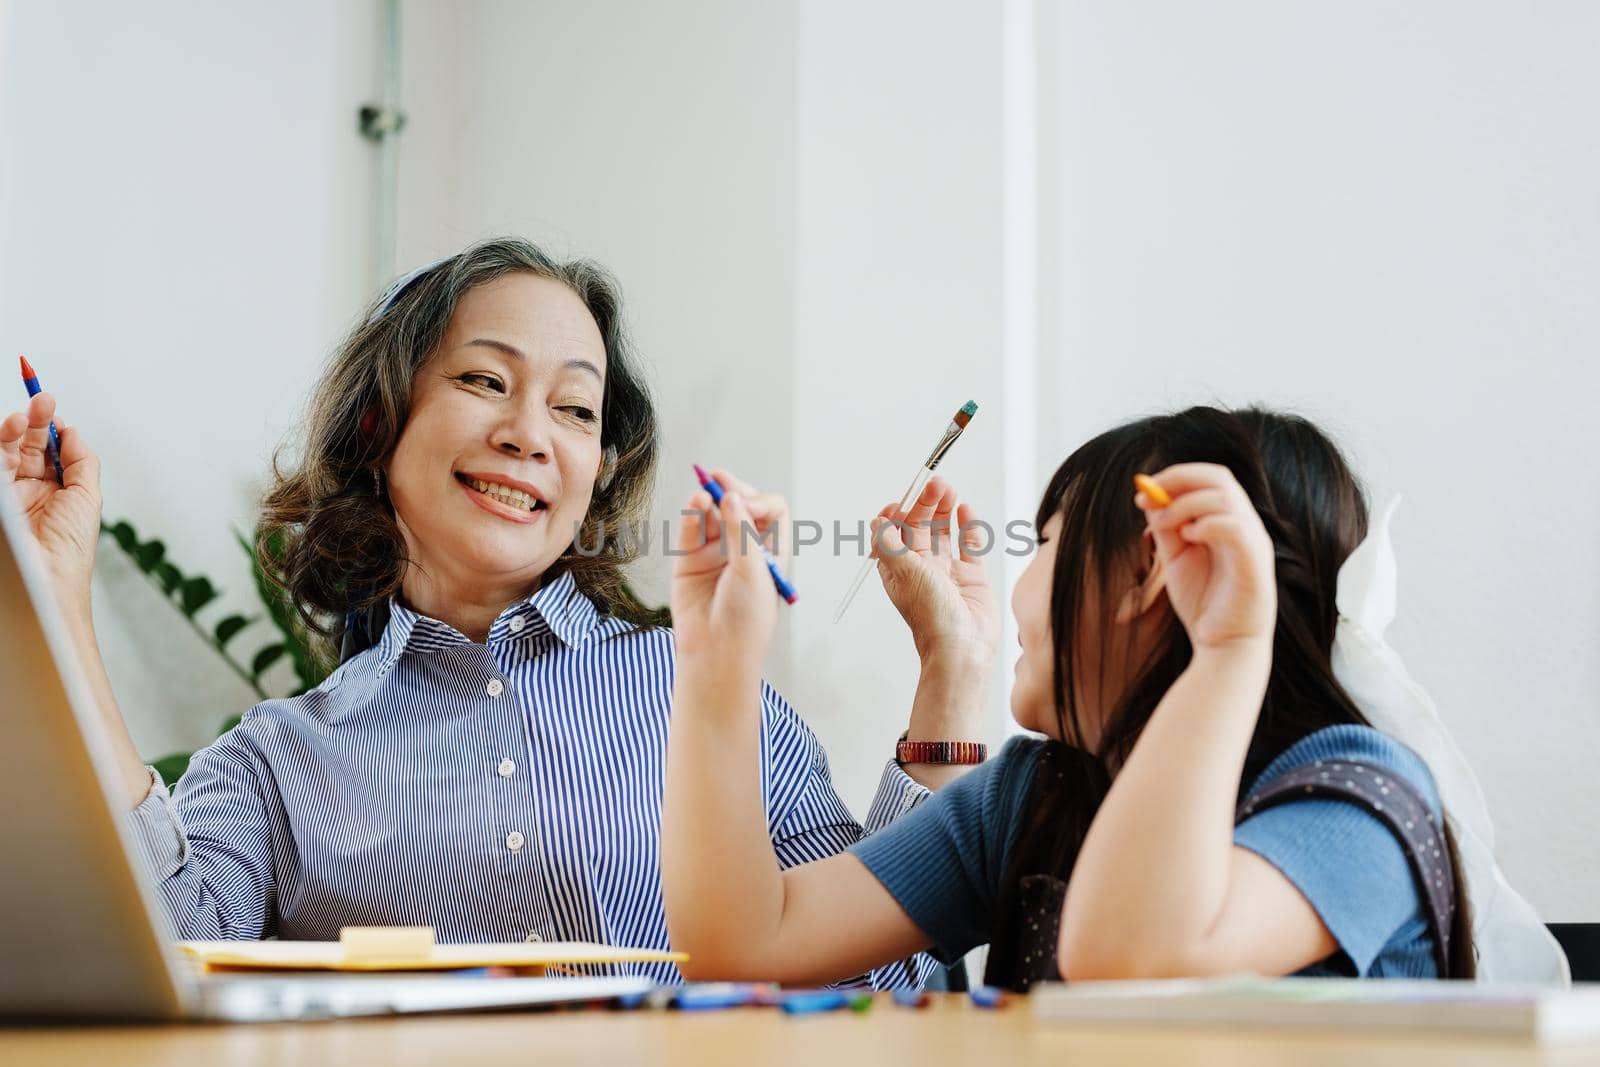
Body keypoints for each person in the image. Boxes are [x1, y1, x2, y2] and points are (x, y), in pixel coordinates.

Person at [0, 237, 992, 987]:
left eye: (574, 408)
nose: (528, 434)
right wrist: (55, 605)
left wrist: (949, 670)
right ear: (380, 420)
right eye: (484, 381)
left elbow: (894, 985)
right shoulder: (276, 760)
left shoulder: (704, 689)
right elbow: (155, 960)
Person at [663, 406, 1477, 989]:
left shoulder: (1357, 804)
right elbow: (745, 939)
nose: (1019, 583)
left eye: (1047, 541)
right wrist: (716, 663)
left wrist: (1228, 652)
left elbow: (1129, 963)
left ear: (1151, 571)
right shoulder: (1029, 793)